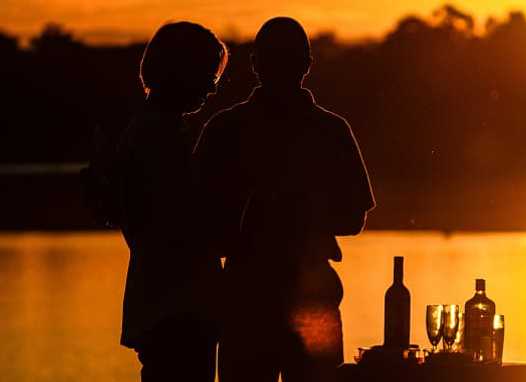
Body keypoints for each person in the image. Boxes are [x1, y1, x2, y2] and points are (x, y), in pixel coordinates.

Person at [194, 17, 375, 382]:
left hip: (264, 296)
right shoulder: (330, 130)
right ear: (307, 64)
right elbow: (354, 218)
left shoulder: (226, 128)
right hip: (277, 296)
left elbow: (197, 219)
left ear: (255, 63)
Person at [114, 22, 227, 382]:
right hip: (176, 308)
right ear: (180, 70)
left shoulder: (157, 130)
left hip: (166, 304)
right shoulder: (157, 137)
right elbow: (178, 225)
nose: (212, 88)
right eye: (207, 75)